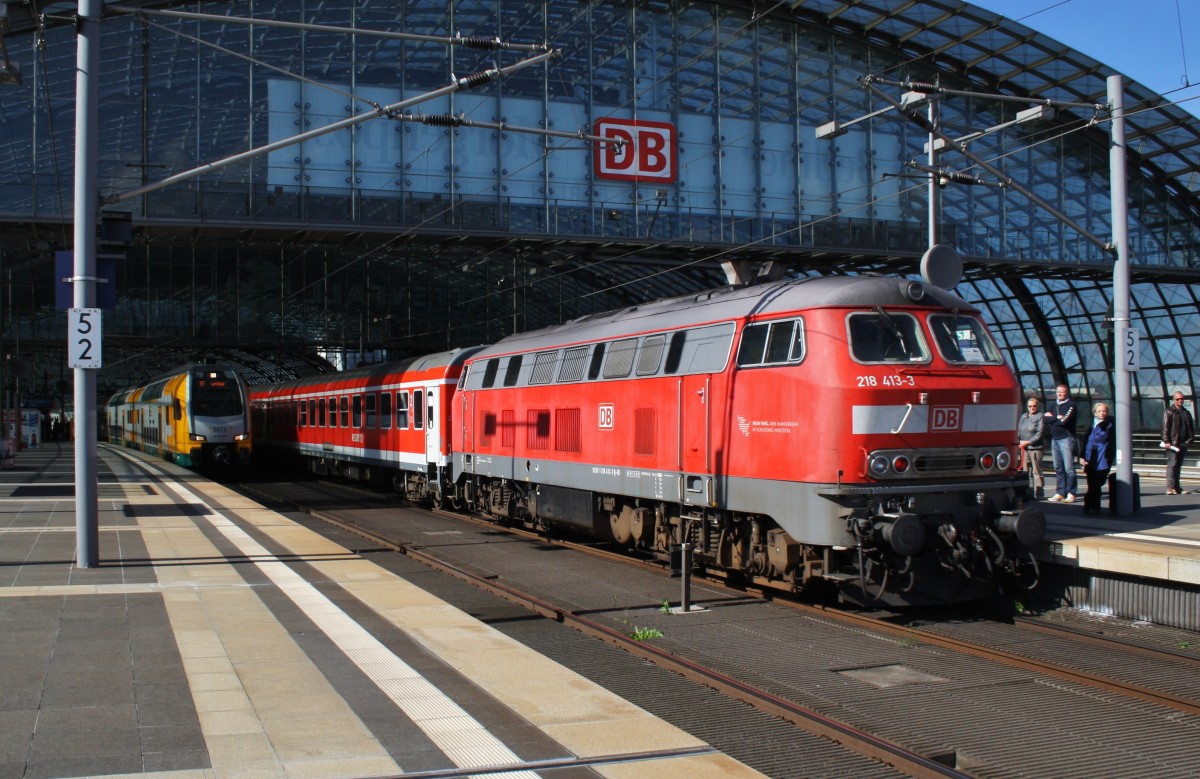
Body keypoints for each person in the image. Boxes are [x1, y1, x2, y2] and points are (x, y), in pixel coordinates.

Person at [1044, 383, 1078, 503]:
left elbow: (1064, 422)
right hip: (1055, 439)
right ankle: (1060, 492)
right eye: (1058, 392)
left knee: (1069, 468)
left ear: (1067, 392)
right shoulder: (1053, 405)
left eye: (1062, 392)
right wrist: (1056, 418)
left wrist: (1053, 418)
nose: (1060, 394)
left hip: (1066, 439)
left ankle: (1071, 492)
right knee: (1058, 467)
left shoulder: (1071, 405)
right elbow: (1044, 419)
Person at [1080, 403, 1115, 515]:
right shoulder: (1092, 424)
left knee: (1098, 482)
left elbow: (1112, 441)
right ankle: (1093, 506)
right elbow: (1085, 440)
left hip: (1102, 456)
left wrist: (1110, 456)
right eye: (1099, 411)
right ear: (1095, 413)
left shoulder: (1110, 424)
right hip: (1090, 456)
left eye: (1104, 411)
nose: (1102, 413)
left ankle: (1089, 503)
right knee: (1091, 483)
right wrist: (1082, 456)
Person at [1161, 391, 1195, 495]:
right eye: (1177, 399)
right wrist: (1166, 441)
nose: (1180, 401)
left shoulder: (1186, 412)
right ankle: (1170, 488)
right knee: (1172, 464)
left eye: (1181, 399)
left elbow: (1190, 427)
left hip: (1183, 442)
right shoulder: (1169, 411)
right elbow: (1164, 427)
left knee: (1178, 465)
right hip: (1173, 442)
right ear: (1173, 400)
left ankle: (1177, 487)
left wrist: (1190, 439)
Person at [1017, 397, 1045, 498]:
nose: (1032, 408)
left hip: (1035, 448)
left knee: (1036, 471)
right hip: (1024, 448)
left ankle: (1039, 492)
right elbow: (1019, 430)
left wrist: (1028, 442)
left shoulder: (1040, 416)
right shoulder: (1024, 416)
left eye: (1034, 406)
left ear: (1037, 406)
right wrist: (1019, 441)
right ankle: (1028, 492)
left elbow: (1039, 433)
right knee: (1026, 471)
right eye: (1030, 406)